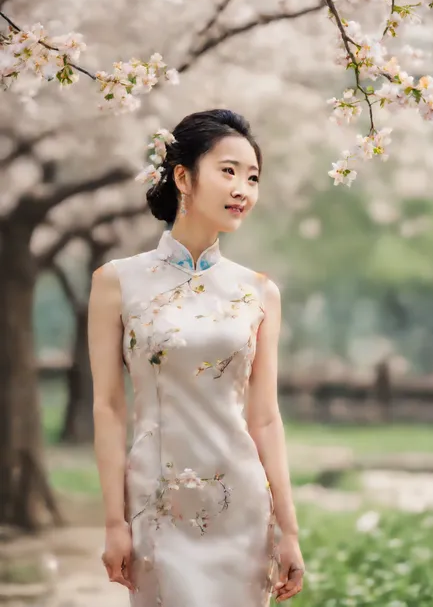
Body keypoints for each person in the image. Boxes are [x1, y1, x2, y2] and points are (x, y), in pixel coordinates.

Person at [88, 109, 305, 606]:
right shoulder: (117, 282)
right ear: (183, 177)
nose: (242, 189)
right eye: (228, 171)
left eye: (252, 178)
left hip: (243, 509)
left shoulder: (258, 292)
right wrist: (113, 521)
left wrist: (288, 530)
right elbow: (109, 407)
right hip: (157, 505)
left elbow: (266, 418)